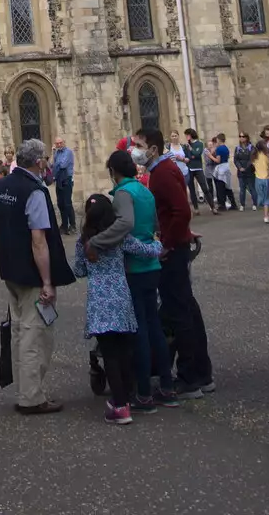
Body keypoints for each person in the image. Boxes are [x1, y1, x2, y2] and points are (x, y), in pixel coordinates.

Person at [0, 136, 74, 415]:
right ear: (39, 162)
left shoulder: (2, 186)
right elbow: (38, 239)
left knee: (19, 332)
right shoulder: (33, 191)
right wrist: (47, 281)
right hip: (30, 271)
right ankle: (31, 396)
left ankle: (26, 389)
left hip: (10, 267)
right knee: (34, 334)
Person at [88, 149, 177, 409]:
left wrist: (97, 241)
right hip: (151, 264)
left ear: (114, 172)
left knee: (138, 330)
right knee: (154, 327)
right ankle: (167, 386)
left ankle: (144, 392)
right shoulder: (144, 190)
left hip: (136, 267)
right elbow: (154, 223)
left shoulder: (124, 194)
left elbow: (125, 224)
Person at [74, 192, 162, 425]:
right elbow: (146, 251)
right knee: (124, 350)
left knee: (109, 353)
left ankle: (120, 405)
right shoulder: (119, 238)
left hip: (99, 301)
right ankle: (127, 395)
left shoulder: (84, 241)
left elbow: (79, 270)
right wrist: (158, 241)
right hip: (121, 297)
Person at [142, 129, 213, 399]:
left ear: (154, 149)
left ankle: (189, 379)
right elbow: (175, 212)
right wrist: (179, 232)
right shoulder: (165, 170)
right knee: (187, 309)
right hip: (176, 243)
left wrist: (169, 242)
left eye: (140, 144)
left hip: (172, 251)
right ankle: (202, 373)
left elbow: (181, 210)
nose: (136, 150)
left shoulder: (162, 172)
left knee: (179, 312)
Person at [182, 129, 214, 213]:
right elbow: (187, 155)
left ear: (190, 135)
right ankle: (196, 209)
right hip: (189, 168)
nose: (186, 137)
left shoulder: (199, 144)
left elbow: (197, 154)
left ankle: (212, 207)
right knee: (192, 189)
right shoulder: (186, 145)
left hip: (198, 168)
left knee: (205, 188)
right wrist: (190, 155)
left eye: (187, 135)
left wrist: (191, 150)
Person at [50, 135, 76, 234]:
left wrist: (55, 165)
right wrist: (53, 153)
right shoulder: (56, 153)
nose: (59, 145)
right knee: (61, 203)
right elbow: (50, 164)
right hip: (59, 180)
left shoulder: (68, 152)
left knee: (67, 203)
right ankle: (64, 225)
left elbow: (63, 165)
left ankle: (72, 225)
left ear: (64, 143)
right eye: (57, 143)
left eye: (61, 143)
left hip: (67, 180)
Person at [210, 135, 237, 211]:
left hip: (221, 168)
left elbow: (218, 160)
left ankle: (222, 205)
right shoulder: (226, 148)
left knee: (220, 187)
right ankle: (233, 203)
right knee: (228, 186)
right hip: (226, 167)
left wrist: (210, 156)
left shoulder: (219, 149)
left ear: (218, 140)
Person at [233, 133, 256, 210]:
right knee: (242, 189)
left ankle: (255, 204)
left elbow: (252, 159)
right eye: (240, 136)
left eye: (243, 136)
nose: (241, 138)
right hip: (241, 171)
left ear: (246, 138)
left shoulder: (251, 147)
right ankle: (242, 205)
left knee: (252, 188)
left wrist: (246, 167)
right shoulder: (237, 148)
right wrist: (240, 167)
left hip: (249, 170)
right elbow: (235, 160)